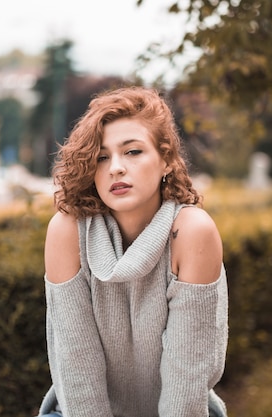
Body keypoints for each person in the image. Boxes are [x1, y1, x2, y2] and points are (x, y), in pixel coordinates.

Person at [37, 86, 229, 417]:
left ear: (166, 160)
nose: (115, 168)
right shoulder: (66, 231)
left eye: (133, 152)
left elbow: (185, 386)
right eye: (101, 157)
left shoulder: (191, 232)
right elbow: (77, 371)